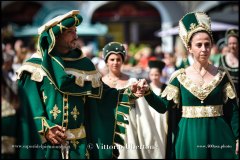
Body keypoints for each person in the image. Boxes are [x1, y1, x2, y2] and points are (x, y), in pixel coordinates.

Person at [16, 10, 144, 159]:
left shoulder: (85, 65)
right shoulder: (34, 67)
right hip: (47, 147)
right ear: (55, 35)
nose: (76, 36)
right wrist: (45, 127)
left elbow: (102, 95)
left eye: (76, 31)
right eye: (70, 32)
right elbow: (28, 106)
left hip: (80, 149)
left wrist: (129, 92)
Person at [141, 12, 239, 159]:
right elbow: (162, 106)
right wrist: (147, 92)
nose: (204, 49)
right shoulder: (179, 77)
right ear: (189, 48)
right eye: (199, 45)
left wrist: (238, 137)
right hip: (188, 139)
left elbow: (233, 110)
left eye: (207, 44)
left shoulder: (222, 75)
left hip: (220, 138)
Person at [101, 42, 167, 159]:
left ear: (122, 61)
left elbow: (142, 110)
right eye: (112, 59)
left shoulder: (131, 81)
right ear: (106, 61)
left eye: (118, 59)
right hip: (106, 124)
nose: (115, 62)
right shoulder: (101, 82)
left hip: (128, 125)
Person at [219, 28, 238, 95]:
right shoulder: (222, 59)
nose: (232, 46)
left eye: (234, 43)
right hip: (226, 96)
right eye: (230, 43)